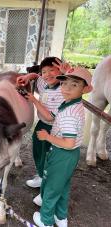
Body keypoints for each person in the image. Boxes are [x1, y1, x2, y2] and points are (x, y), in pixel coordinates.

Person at [26, 67, 93, 227]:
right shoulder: (72, 104)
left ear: (86, 89)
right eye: (64, 83)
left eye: (74, 85)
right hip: (70, 155)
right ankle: (60, 217)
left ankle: (45, 220)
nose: (67, 88)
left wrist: (47, 136)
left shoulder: (70, 113)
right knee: (62, 186)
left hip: (63, 153)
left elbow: (69, 143)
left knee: (51, 187)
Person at [17, 57, 70, 204]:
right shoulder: (44, 83)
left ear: (60, 70)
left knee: (49, 159)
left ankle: (46, 192)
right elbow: (36, 76)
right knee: (38, 153)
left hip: (54, 129)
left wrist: (34, 100)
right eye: (44, 71)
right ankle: (41, 176)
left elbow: (50, 116)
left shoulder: (63, 90)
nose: (47, 75)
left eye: (51, 70)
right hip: (42, 124)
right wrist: (28, 76)